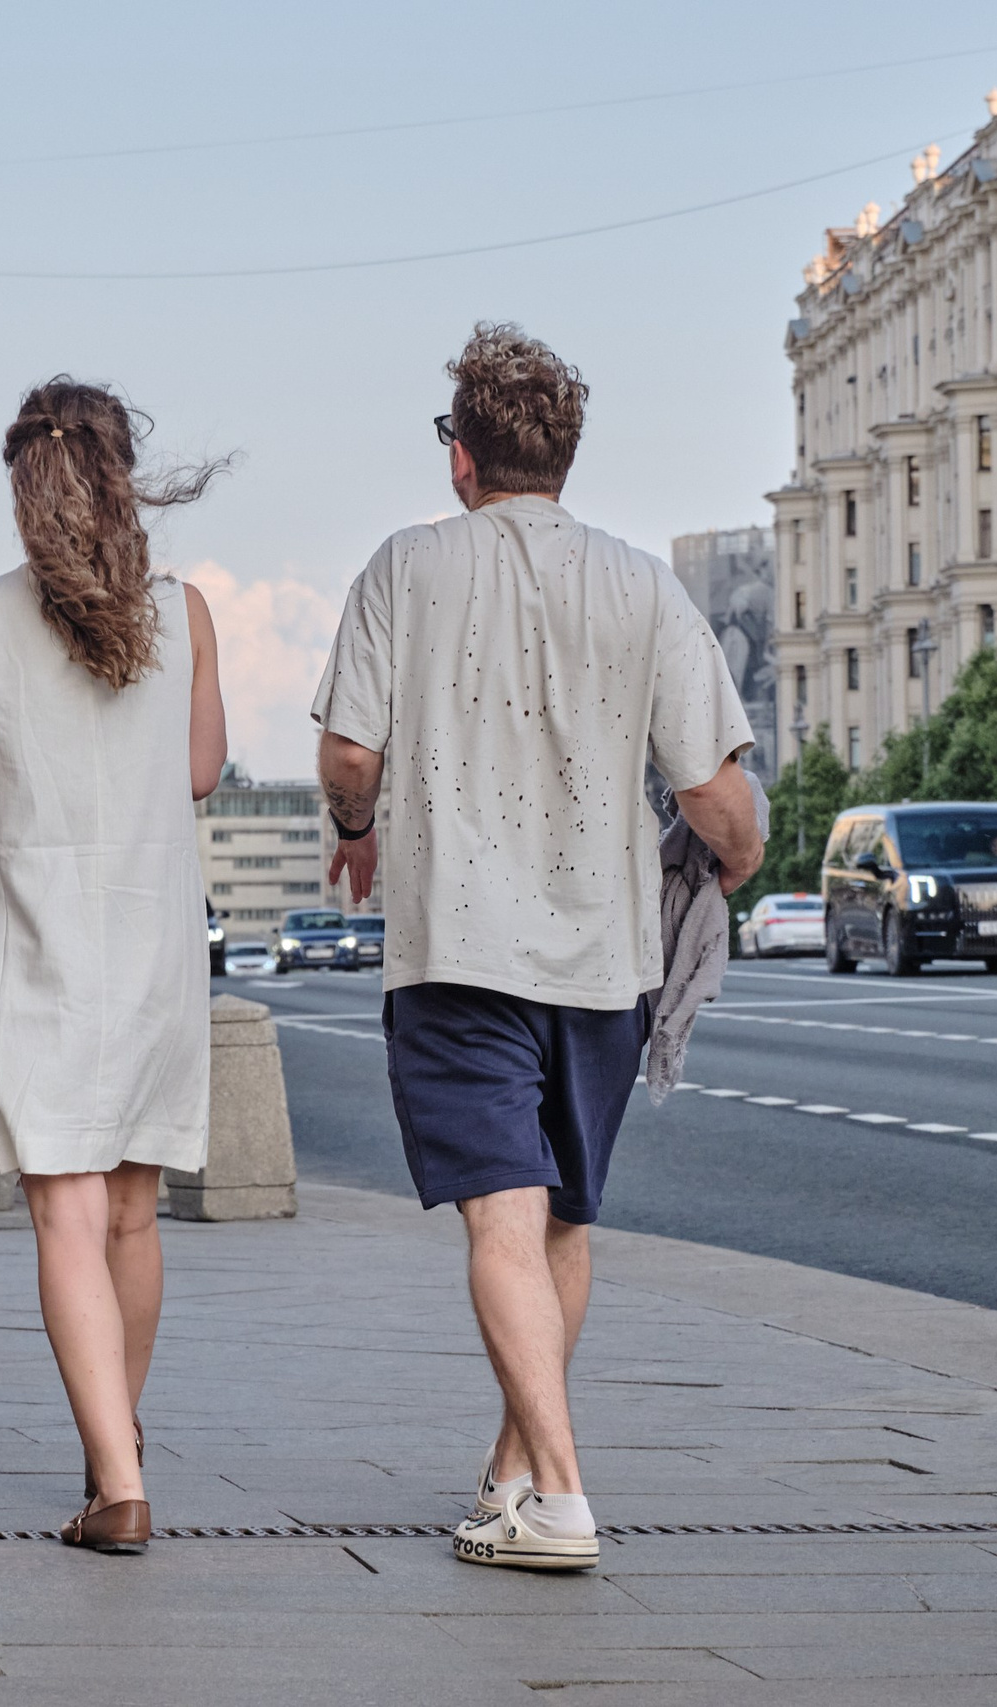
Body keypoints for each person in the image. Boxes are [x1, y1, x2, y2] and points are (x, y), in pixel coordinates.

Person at [313, 326, 761, 1571]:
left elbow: (351, 755)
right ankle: (511, 1476)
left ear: (460, 456)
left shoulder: (405, 569)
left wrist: (357, 824)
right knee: (560, 1227)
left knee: (501, 1228)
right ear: (563, 457)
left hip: (458, 947)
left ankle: (558, 1497)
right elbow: (718, 795)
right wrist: (734, 863)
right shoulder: (642, 586)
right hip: (605, 957)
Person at [0, 379, 228, 1554]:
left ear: (22, 487)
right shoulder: (183, 610)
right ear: (119, 476)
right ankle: (120, 1448)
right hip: (150, 936)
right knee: (134, 1215)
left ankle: (116, 1483)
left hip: (38, 937)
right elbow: (201, 770)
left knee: (64, 1212)